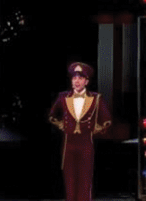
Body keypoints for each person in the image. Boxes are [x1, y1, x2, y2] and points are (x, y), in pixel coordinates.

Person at [49, 62, 111, 201]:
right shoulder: (63, 97)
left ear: (86, 81)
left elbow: (107, 119)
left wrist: (96, 130)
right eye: (74, 78)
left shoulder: (96, 98)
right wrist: (61, 125)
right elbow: (52, 116)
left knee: (85, 178)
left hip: (86, 143)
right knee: (69, 179)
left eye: (80, 78)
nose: (76, 81)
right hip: (68, 144)